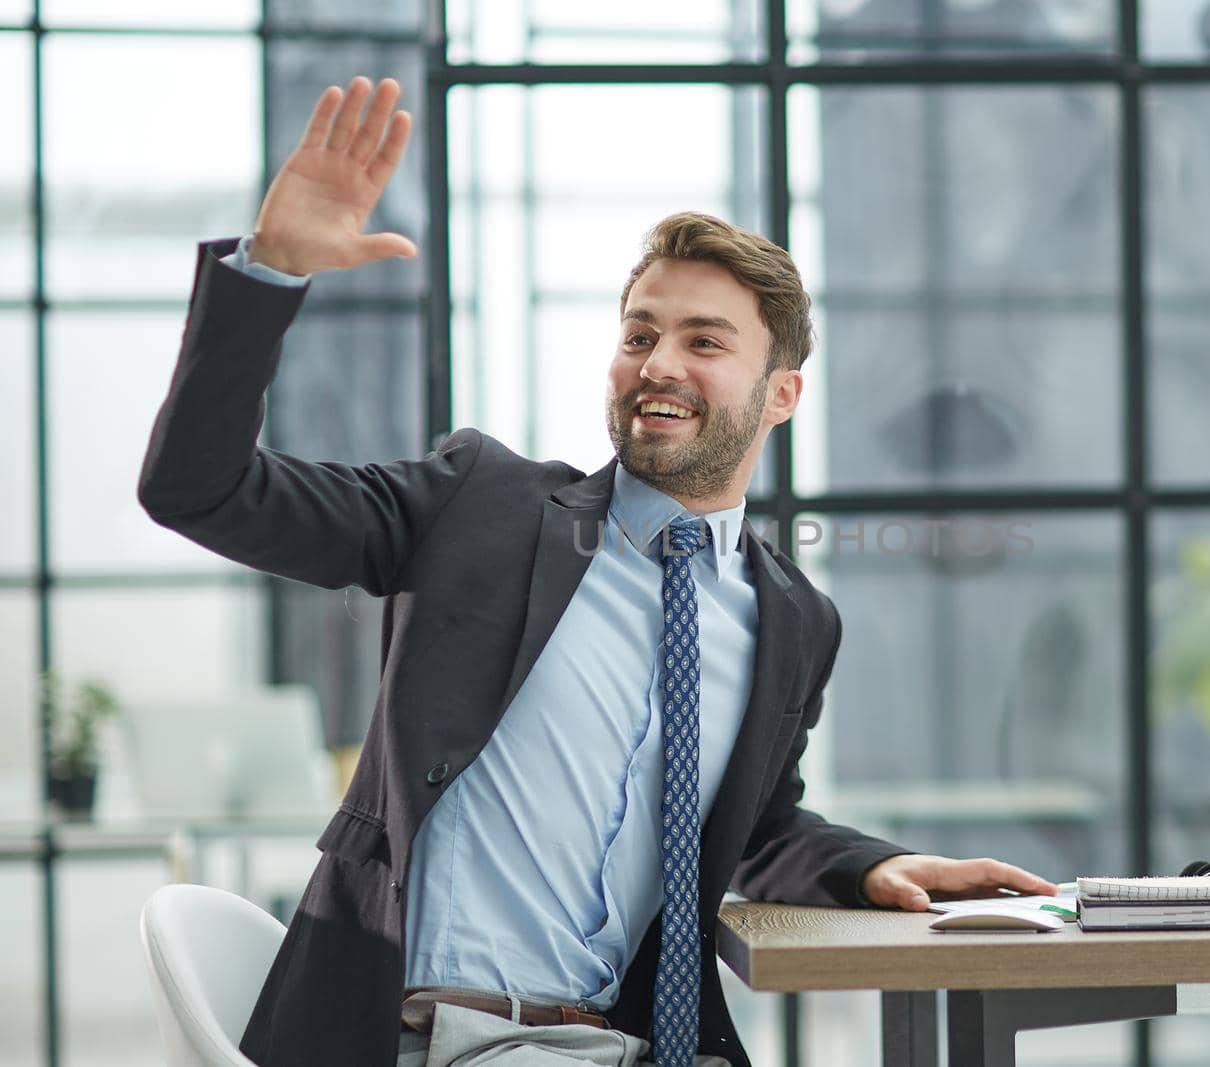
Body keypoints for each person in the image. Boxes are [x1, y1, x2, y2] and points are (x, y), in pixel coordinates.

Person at [138, 75, 1058, 1067]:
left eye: (703, 341)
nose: (659, 361)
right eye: (639, 334)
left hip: (620, 1044)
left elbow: (755, 822)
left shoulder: (793, 616)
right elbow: (200, 489)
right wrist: (268, 273)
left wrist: (874, 864)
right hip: (421, 1033)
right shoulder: (479, 505)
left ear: (780, 393)